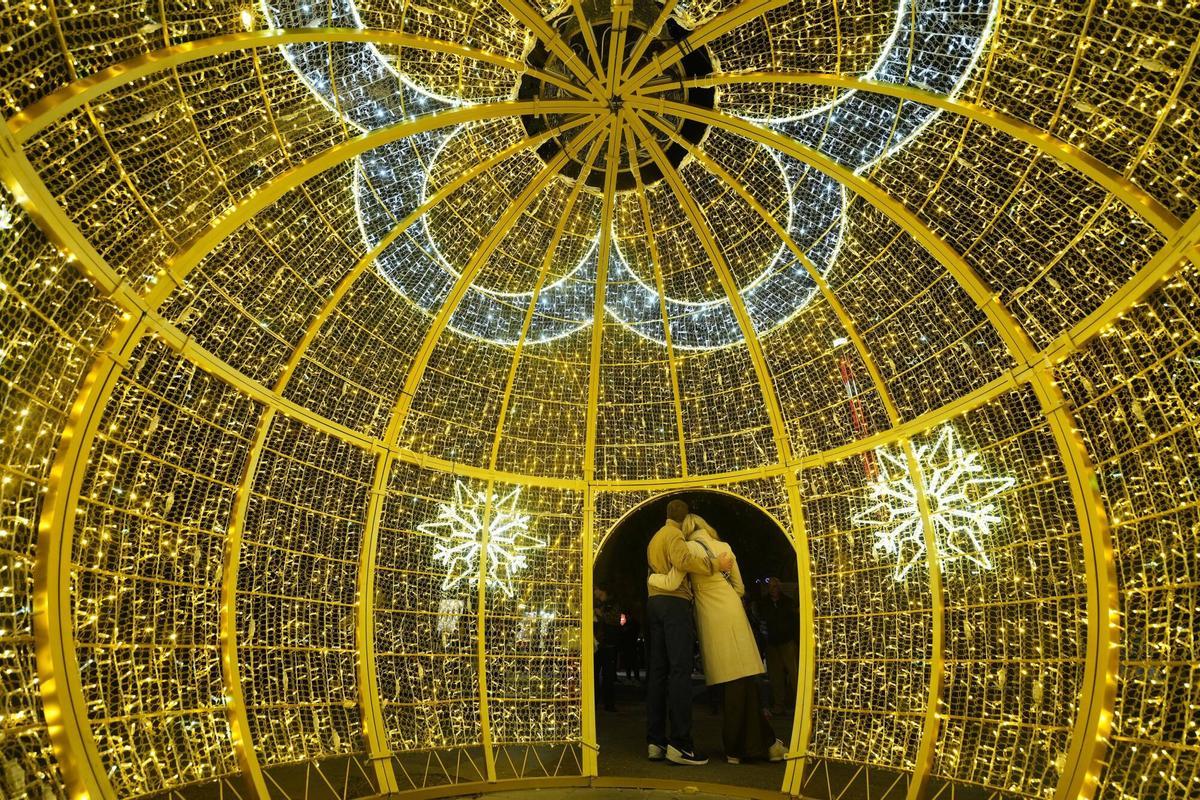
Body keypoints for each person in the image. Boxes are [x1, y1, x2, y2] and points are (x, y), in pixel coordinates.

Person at [649, 514, 785, 765]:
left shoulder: (687, 547)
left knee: (728, 678)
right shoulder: (724, 547)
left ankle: (738, 748)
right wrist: (727, 598)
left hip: (708, 613)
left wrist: (653, 579)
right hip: (731, 608)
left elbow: (676, 580)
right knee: (744, 676)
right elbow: (740, 587)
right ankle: (756, 743)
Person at [645, 499, 732, 766]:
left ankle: (656, 741)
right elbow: (682, 560)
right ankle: (681, 744)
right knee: (680, 671)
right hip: (674, 604)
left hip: (654, 603)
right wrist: (715, 564)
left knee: (658, 672)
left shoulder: (655, 538)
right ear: (684, 520)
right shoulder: (674, 535)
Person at [758, 577, 800, 715]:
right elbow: (762, 618)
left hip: (786, 641)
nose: (774, 589)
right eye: (771, 587)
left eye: (776, 586)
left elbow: (792, 620)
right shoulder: (764, 603)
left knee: (794, 674)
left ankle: (798, 703)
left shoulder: (787, 602)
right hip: (772, 642)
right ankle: (779, 704)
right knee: (776, 676)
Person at [593, 586, 621, 711]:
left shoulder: (613, 604)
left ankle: (609, 704)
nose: (594, 592)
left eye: (596, 589)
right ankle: (593, 703)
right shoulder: (595, 603)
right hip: (597, 645)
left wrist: (601, 615)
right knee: (593, 675)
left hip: (608, 644)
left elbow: (616, 620)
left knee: (608, 675)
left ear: (603, 591)